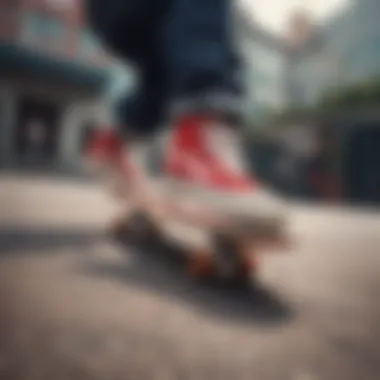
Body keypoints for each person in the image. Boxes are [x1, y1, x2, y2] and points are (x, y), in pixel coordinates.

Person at [85, 0, 286, 227]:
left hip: (111, 14)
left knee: (173, 63)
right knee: (194, 34)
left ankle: (111, 140)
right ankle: (196, 147)